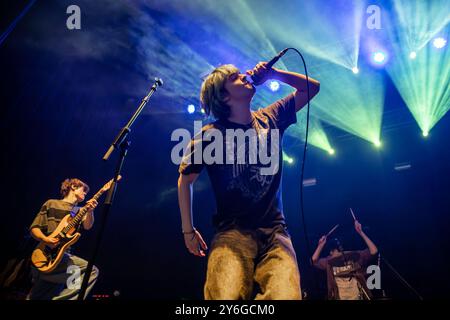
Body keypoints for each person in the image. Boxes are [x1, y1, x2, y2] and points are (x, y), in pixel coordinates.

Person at [178, 60, 320, 299]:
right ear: (224, 97)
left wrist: (274, 74)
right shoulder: (209, 136)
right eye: (234, 77)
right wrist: (188, 231)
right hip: (231, 233)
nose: (244, 76)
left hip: (275, 233)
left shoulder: (271, 117)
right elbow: (185, 179)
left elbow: (311, 87)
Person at [27, 178, 99, 300]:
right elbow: (34, 228)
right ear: (73, 187)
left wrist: (90, 211)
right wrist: (46, 239)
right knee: (91, 271)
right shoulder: (51, 203)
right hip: (45, 255)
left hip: (64, 258)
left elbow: (87, 226)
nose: (85, 193)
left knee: (44, 295)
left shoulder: (80, 211)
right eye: (84, 190)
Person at [312, 220, 378, 300]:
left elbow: (374, 251)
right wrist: (320, 245)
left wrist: (361, 232)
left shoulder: (353, 256)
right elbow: (314, 261)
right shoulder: (329, 261)